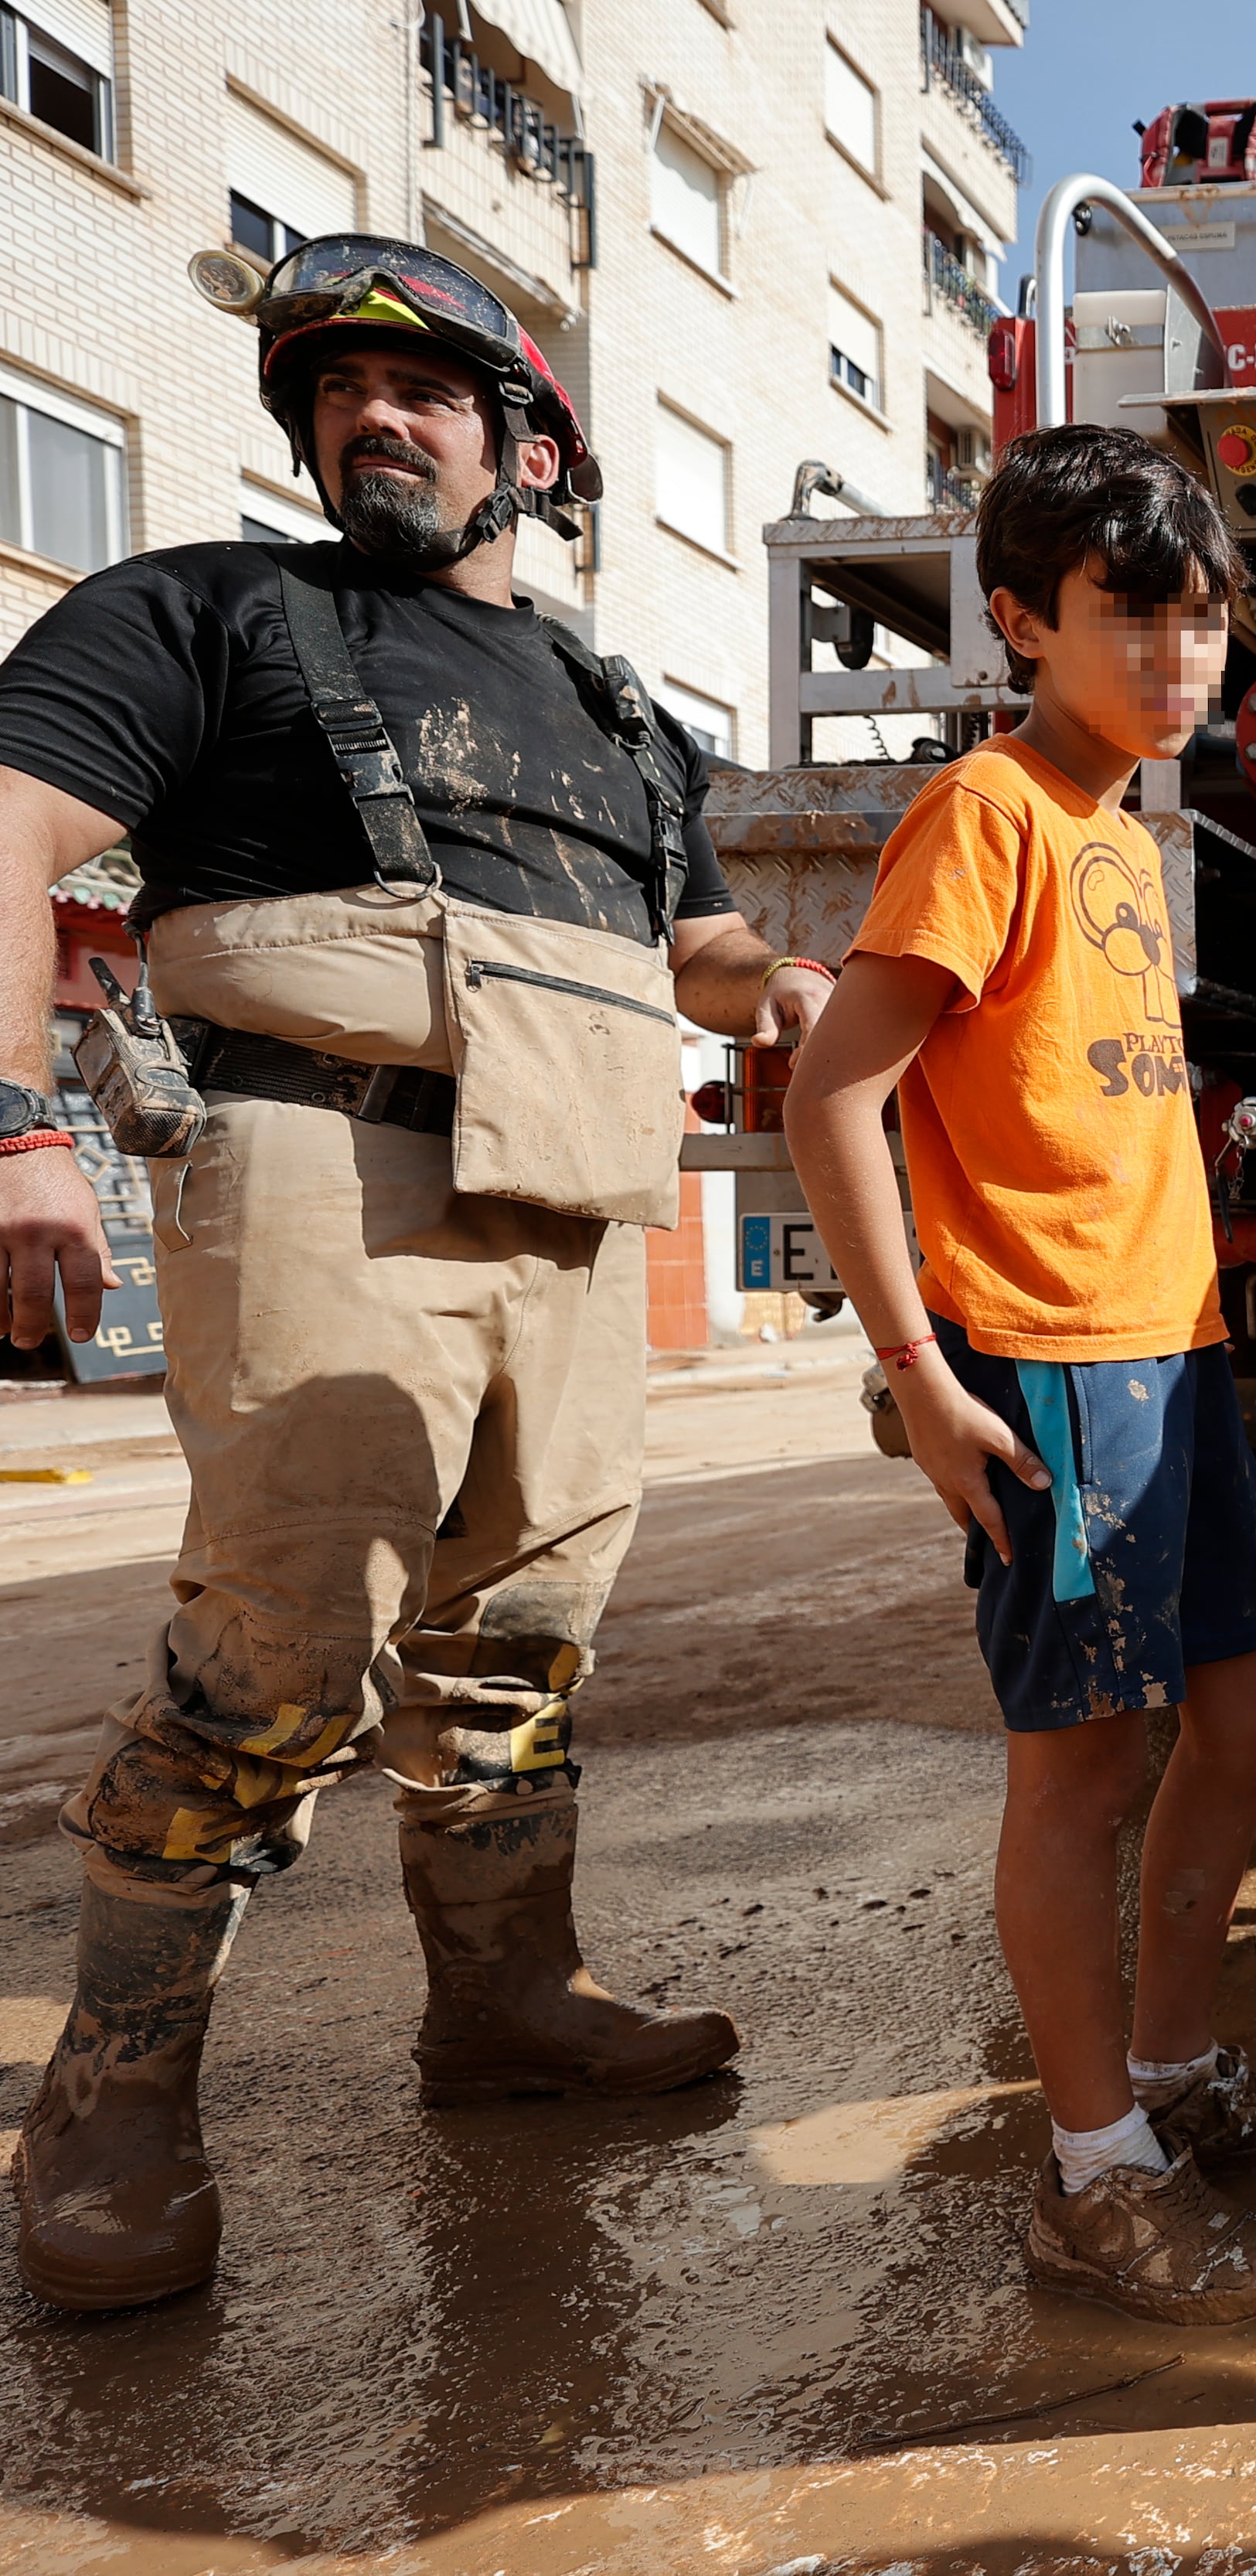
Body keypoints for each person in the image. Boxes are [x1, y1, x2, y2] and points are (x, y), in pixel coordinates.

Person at [0, 237, 829, 2312]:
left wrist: (790, 981)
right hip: (316, 1162)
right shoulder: (201, 609)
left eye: (429, 388)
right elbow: (8, 831)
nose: (375, 415)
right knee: (280, 1657)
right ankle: (110, 2090)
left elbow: (687, 943)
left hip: (566, 1193)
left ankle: (505, 2005)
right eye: (338, 391)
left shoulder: (618, 708)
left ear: (528, 446)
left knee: (517, 1646)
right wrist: (14, 1122)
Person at [778, 426, 1256, 2326]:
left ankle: (1163, 2076)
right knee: (1079, 1769)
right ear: (1018, 619)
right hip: (1052, 1359)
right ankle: (1088, 2173)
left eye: (1203, 622)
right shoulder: (988, 811)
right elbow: (832, 1083)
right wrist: (916, 1365)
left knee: (1248, 1714)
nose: (1180, 660)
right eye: (1130, 619)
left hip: (1176, 1344)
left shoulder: (1119, 833)